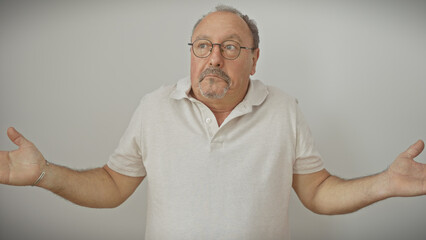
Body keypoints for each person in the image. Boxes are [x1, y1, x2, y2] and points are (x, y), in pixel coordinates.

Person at [0, 5, 424, 240]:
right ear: (191, 52)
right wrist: (42, 174)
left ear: (255, 58)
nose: (214, 58)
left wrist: (385, 184)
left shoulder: (284, 109)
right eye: (203, 45)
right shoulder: (154, 106)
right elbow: (113, 186)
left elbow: (317, 192)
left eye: (231, 47)